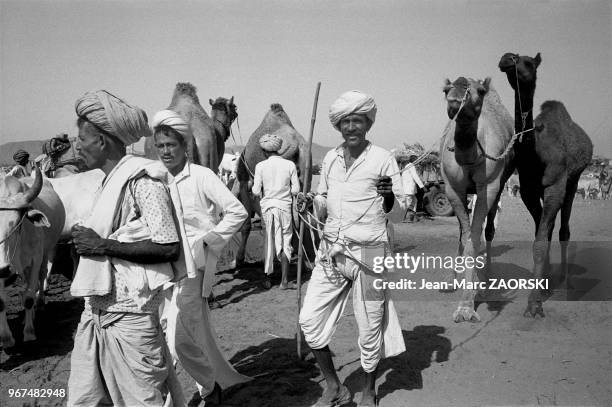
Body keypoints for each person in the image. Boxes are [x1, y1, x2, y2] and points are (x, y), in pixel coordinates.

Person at [67, 90, 185, 406]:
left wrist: (102, 244)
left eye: (82, 139)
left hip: (131, 319)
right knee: (86, 398)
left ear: (102, 142)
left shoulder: (143, 181)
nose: (77, 145)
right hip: (95, 313)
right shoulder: (105, 183)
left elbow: (168, 246)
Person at [298, 90, 406, 407]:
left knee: (369, 328)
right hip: (331, 250)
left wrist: (387, 196)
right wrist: (310, 202)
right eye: (346, 122)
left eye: (357, 121)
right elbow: (323, 200)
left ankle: (370, 389)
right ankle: (335, 386)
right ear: (339, 126)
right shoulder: (330, 158)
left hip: (371, 252)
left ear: (367, 123)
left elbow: (399, 212)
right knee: (309, 322)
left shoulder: (383, 158)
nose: (351, 127)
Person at [151, 109, 251, 405]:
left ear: (185, 146)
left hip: (194, 267)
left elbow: (238, 212)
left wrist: (207, 241)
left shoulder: (202, 176)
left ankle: (203, 391)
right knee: (180, 333)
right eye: (161, 146)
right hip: (161, 269)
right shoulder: (155, 179)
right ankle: (210, 385)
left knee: (176, 338)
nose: (166, 151)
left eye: (172, 145)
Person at [251, 133, 300, 289]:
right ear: (278, 148)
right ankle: (284, 281)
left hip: (268, 208)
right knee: (286, 240)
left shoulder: (260, 166)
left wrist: (254, 185)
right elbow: (296, 190)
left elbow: (256, 190)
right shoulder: (290, 165)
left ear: (264, 151)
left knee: (269, 241)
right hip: (284, 207)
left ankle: (267, 278)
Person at [401, 155, 424, 222]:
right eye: (416, 159)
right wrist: (422, 186)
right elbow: (415, 176)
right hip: (409, 189)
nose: (417, 161)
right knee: (408, 203)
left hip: (408, 188)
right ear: (413, 160)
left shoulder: (407, 166)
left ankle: (412, 216)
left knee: (414, 201)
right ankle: (404, 218)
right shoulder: (411, 166)